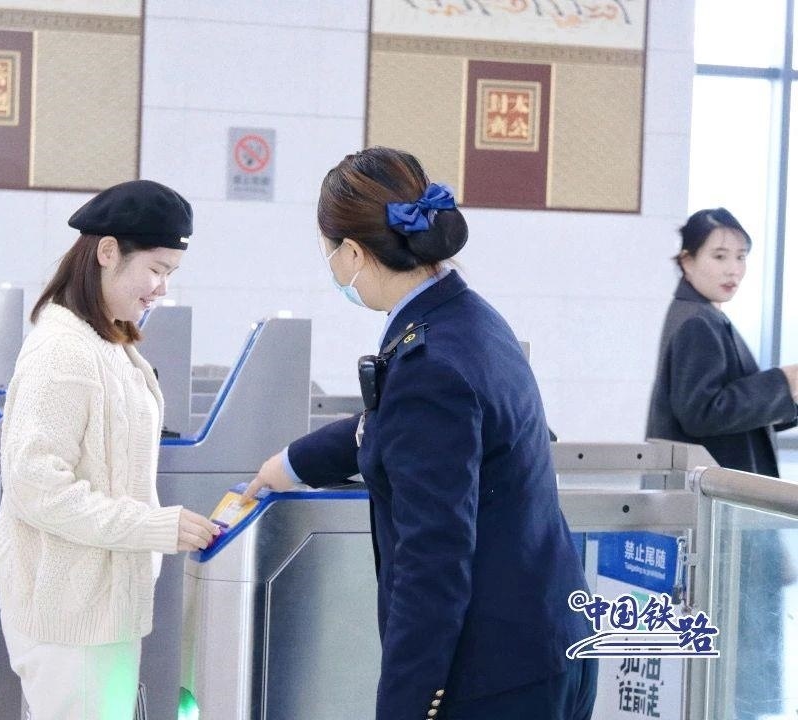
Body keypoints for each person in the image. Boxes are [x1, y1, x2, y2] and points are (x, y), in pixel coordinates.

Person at [244, 147, 597, 719]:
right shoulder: (467, 317)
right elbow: (395, 426)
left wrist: (405, 706)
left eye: (328, 252)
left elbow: (432, 562)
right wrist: (290, 464)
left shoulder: (430, 363)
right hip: (547, 642)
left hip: (493, 674)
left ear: (352, 252)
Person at [0, 179, 219, 720]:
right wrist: (153, 526)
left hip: (97, 606)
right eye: (156, 269)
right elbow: (35, 487)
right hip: (69, 612)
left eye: (170, 273)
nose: (161, 289)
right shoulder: (63, 352)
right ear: (108, 251)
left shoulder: (106, 342)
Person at [646, 207, 798, 720]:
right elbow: (703, 411)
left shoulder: (703, 315)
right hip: (711, 511)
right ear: (686, 260)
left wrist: (786, 394)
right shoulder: (697, 322)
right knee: (732, 650)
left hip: (715, 510)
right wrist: (782, 382)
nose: (733, 269)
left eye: (741, 257)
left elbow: (727, 409)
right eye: (719, 256)